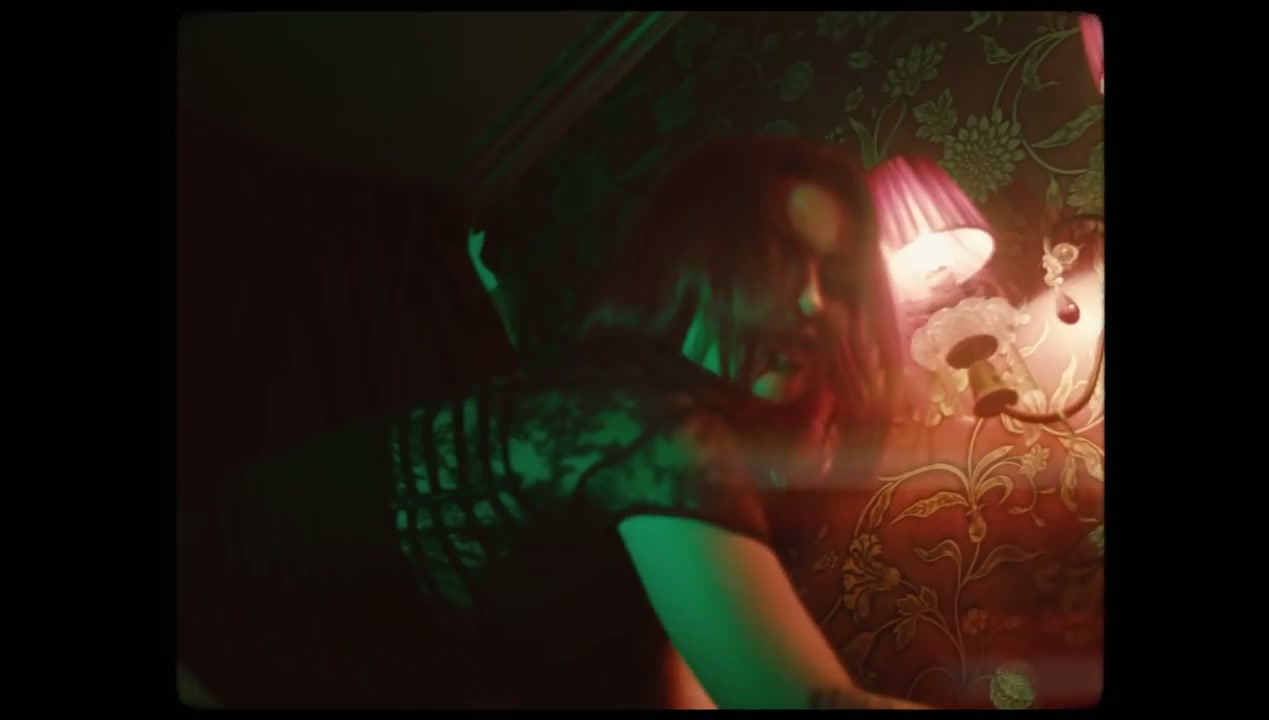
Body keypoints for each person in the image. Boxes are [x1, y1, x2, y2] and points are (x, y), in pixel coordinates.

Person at [177, 136, 924, 709]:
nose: (812, 302)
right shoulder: (654, 429)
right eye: (779, 258)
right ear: (698, 260)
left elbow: (691, 684)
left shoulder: (638, 429)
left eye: (834, 276)